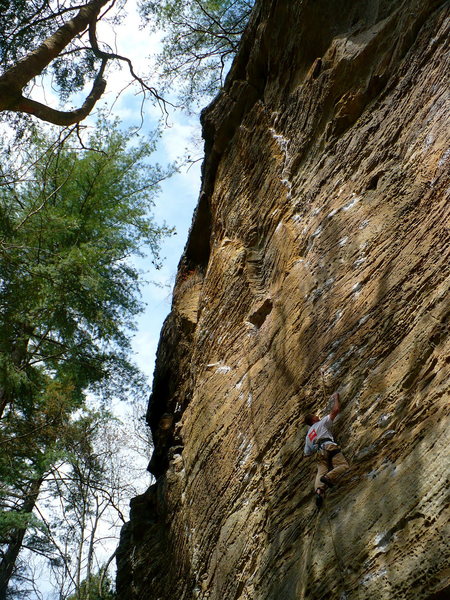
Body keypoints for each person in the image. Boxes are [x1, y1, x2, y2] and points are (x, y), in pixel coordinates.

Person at [303, 392, 349, 508]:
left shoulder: (308, 436)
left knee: (320, 472)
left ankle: (319, 492)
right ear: (313, 420)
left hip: (318, 452)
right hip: (328, 445)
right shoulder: (321, 423)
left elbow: (307, 454)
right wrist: (336, 398)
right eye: (315, 416)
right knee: (343, 466)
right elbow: (336, 410)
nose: (317, 416)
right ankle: (328, 477)